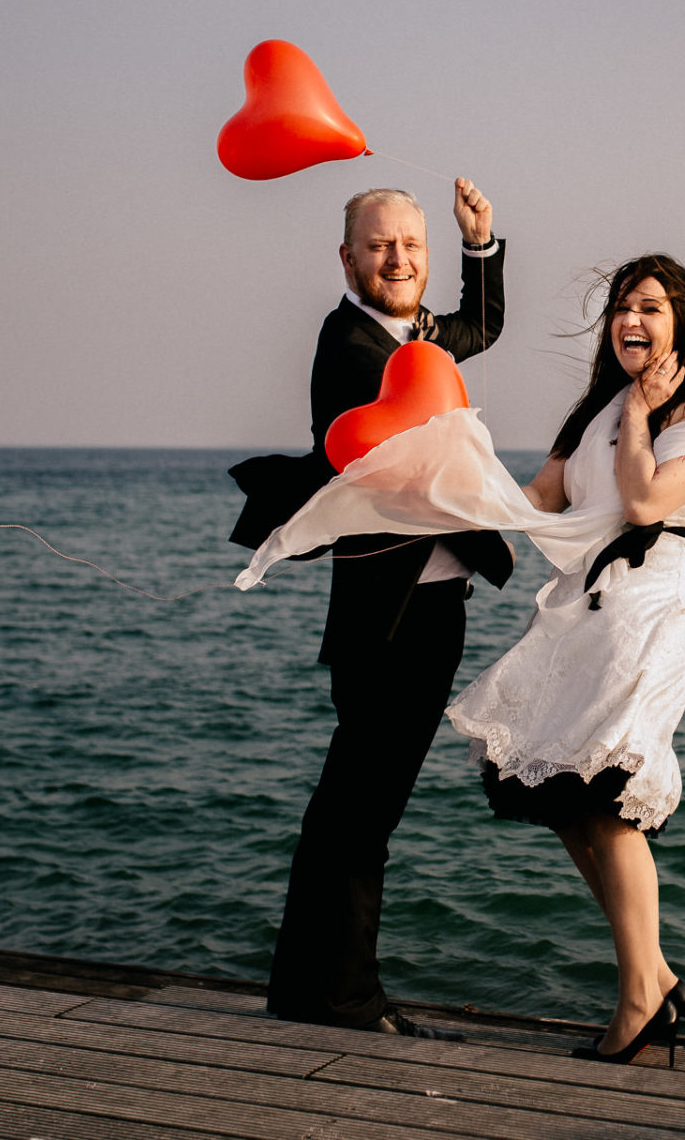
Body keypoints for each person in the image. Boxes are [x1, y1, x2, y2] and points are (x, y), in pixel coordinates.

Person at [446, 253, 685, 1065]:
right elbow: (536, 500)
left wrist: (644, 413)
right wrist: (445, 474)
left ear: (682, 320)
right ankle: (656, 980)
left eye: (649, 307)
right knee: (568, 803)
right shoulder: (594, 411)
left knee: (609, 798)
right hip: (582, 616)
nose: (631, 320)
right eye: (621, 307)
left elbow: (645, 501)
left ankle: (640, 1001)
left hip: (654, 614)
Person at [231, 181, 513, 1039]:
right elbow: (412, 448)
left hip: (432, 606)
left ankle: (305, 990)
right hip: (390, 620)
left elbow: (480, 326)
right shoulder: (349, 346)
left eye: (412, 246)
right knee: (360, 815)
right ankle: (347, 1000)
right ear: (347, 257)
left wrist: (477, 243)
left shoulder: (413, 336)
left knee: (350, 810)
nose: (399, 260)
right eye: (381, 245)